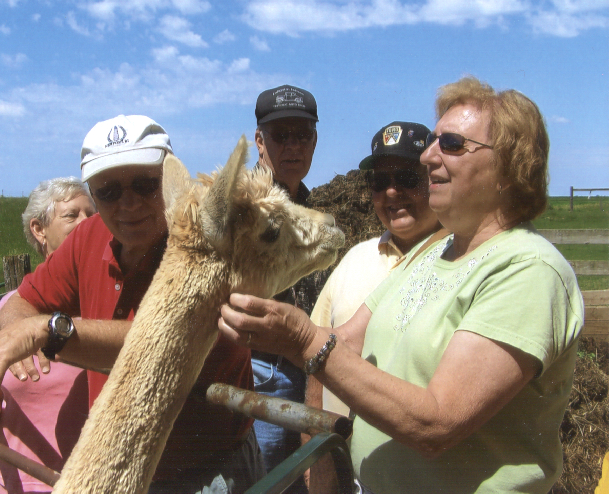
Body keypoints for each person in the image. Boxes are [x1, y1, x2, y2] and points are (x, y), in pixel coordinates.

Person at [219, 76, 584, 493]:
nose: (428, 157)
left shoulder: (528, 271)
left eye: (450, 144)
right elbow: (343, 341)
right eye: (433, 144)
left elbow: (437, 421)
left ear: (510, 165)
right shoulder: (435, 252)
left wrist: (300, 339)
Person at [0, 115, 262, 493]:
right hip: (120, 467)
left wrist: (45, 332)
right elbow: (25, 300)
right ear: (94, 195)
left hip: (204, 471)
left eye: (146, 185)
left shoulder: (211, 241)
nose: (128, 204)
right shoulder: (89, 236)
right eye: (109, 192)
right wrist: (19, 328)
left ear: (170, 178)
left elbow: (168, 341)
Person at [303, 121, 440, 492]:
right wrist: (315, 461)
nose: (392, 191)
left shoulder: (462, 261)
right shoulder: (353, 260)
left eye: (407, 178)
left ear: (435, 179)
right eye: (379, 182)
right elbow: (317, 359)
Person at [0, 177, 96, 494]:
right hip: (23, 480)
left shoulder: (106, 303)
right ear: (39, 229)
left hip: (97, 482)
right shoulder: (9, 311)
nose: (89, 224)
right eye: (72, 215)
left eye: (93, 214)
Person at [251, 84, 324, 492]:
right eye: (282, 135)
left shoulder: (312, 207)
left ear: (315, 141)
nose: (293, 146)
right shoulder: (245, 206)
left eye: (303, 135)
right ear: (260, 141)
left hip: (312, 369)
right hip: (262, 371)